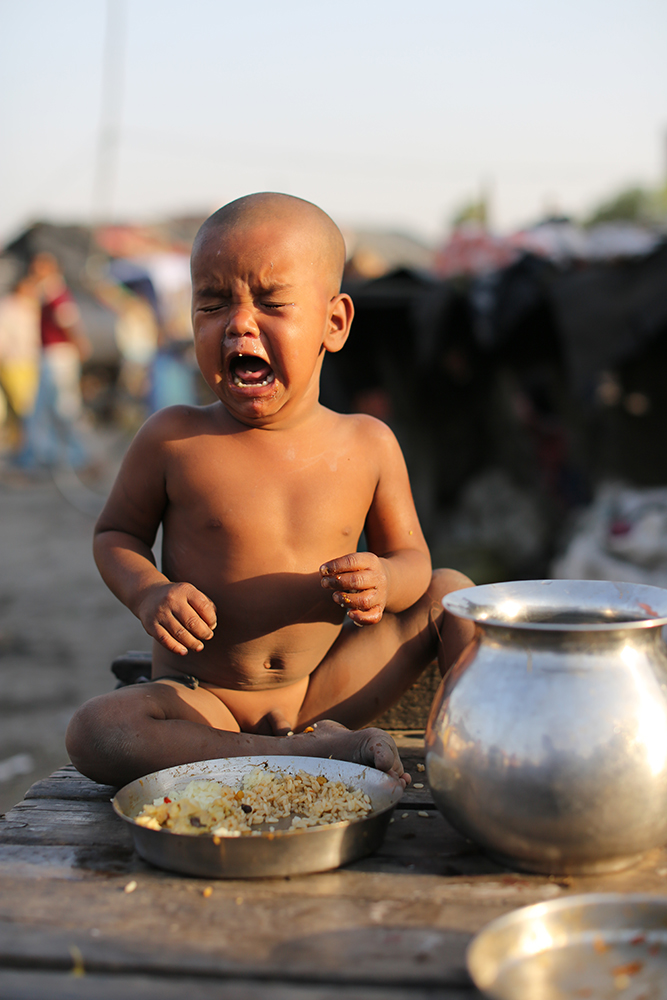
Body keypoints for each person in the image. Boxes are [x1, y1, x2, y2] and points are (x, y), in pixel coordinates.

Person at [66, 193, 475, 789]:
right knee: (99, 731)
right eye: (212, 303)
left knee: (453, 595)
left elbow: (414, 561)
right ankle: (303, 756)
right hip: (205, 701)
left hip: (324, 691)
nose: (239, 323)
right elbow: (116, 535)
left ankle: (476, 749)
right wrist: (149, 592)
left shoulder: (366, 443)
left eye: (272, 303)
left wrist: (385, 583)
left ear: (333, 323)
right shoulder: (174, 438)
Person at [19, 252, 90, 469]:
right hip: (50, 354)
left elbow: (68, 321)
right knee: (43, 409)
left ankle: (76, 455)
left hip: (58, 355)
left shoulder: (55, 291)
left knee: (63, 407)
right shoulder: (47, 291)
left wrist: (80, 345)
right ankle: (45, 455)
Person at [0, 274, 41, 456]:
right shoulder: (8, 307)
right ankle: (21, 447)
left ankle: (24, 446)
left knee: (28, 407)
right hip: (13, 362)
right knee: (21, 407)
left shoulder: (31, 306)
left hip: (29, 361)